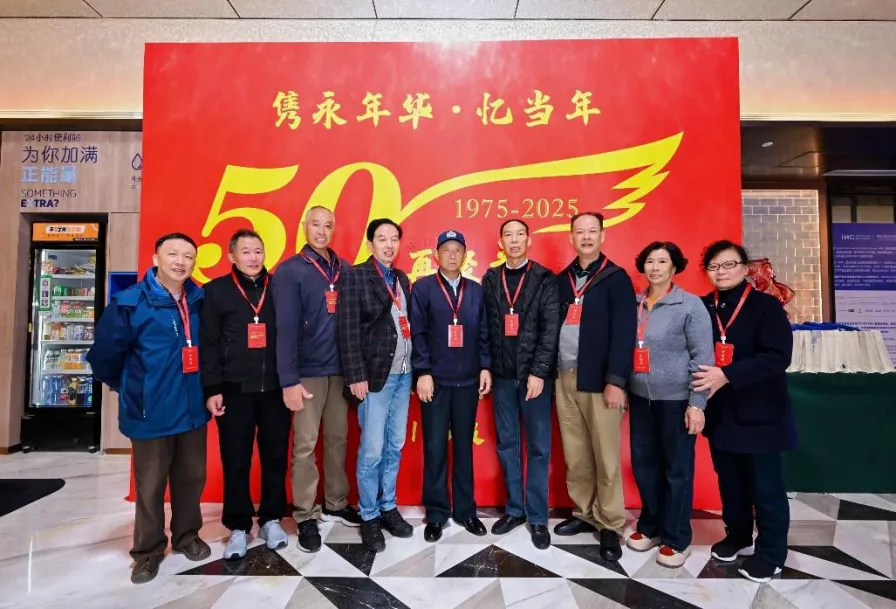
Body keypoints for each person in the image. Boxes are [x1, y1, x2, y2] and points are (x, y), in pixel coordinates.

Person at [87, 233, 210, 584]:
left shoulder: (200, 299)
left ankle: (187, 535)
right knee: (151, 484)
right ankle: (148, 551)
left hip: (192, 409)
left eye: (188, 256)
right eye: (172, 254)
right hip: (149, 412)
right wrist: (131, 388)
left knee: (191, 478)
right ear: (156, 259)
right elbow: (104, 357)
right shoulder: (129, 304)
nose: (180, 262)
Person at [692, 239, 797, 583]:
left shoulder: (766, 306)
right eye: (714, 266)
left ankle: (771, 553)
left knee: (766, 487)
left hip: (760, 412)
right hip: (721, 412)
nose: (721, 272)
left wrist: (727, 375)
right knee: (730, 482)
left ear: (745, 268)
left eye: (729, 264)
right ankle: (737, 535)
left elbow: (778, 356)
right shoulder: (703, 307)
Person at [273, 206, 361, 554]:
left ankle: (336, 502)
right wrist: (289, 380)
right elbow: (284, 330)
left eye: (328, 225)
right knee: (305, 445)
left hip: (340, 371)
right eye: (316, 224)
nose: (322, 231)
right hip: (306, 373)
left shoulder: (345, 269)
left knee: (338, 439)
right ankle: (306, 514)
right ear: (304, 227)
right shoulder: (290, 271)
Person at [199, 229, 290, 560]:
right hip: (234, 389)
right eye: (246, 251)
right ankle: (238, 525)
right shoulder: (216, 291)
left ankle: (271, 519)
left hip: (276, 389)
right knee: (236, 459)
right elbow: (208, 344)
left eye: (258, 251)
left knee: (275, 457)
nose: (253, 257)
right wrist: (212, 388)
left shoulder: (279, 287)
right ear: (232, 256)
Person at [625, 241, 714, 567]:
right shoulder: (634, 304)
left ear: (675, 267)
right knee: (644, 465)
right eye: (650, 261)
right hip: (640, 399)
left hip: (676, 401)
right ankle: (651, 525)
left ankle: (677, 538)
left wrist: (697, 403)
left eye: (663, 261)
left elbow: (703, 358)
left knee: (677, 470)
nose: (655, 267)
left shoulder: (690, 306)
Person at [554, 212, 636, 562]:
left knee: (606, 455)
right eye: (579, 232)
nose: (586, 237)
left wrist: (616, 380)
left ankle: (610, 523)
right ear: (571, 238)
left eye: (592, 231)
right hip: (563, 378)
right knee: (576, 453)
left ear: (602, 236)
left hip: (600, 381)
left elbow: (624, 333)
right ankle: (584, 512)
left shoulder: (616, 279)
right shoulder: (562, 280)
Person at [409, 230, 492, 542]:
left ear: (465, 255)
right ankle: (436, 513)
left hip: (468, 381)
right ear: (437, 255)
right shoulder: (423, 288)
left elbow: (484, 332)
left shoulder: (476, 290)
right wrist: (423, 372)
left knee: (463, 448)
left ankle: (466, 510)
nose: (453, 255)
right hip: (436, 382)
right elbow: (417, 333)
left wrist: (485, 366)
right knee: (434, 447)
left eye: (458, 250)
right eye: (447, 250)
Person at [338, 218, 414, 552]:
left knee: (394, 446)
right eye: (381, 239)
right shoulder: (355, 276)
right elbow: (347, 329)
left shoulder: (401, 278)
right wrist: (356, 375)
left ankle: (388, 506)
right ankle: (369, 514)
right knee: (372, 451)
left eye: (394, 238)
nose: (388, 244)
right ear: (370, 244)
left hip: (404, 375)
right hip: (375, 378)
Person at [482, 219, 559, 550]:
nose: (514, 240)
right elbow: (484, 328)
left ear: (529, 240)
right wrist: (486, 366)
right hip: (502, 378)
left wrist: (539, 372)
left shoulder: (544, 278)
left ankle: (538, 517)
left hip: (534, 380)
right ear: (501, 242)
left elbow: (551, 329)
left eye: (519, 235)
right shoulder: (491, 278)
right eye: (508, 235)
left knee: (539, 448)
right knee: (508, 444)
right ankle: (515, 509)